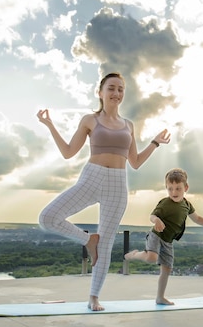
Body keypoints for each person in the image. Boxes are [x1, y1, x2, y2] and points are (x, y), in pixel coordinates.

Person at [37, 72, 170, 311]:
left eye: (120, 89)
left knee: (107, 244)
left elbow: (136, 162)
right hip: (92, 176)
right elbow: (68, 152)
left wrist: (155, 142)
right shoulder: (90, 120)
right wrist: (50, 125)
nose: (116, 93)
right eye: (111, 88)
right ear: (100, 92)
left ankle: (94, 297)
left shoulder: (128, 125)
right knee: (47, 217)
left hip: (118, 183)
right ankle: (89, 240)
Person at [124, 168, 203, 305]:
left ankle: (160, 297)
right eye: (170, 189)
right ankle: (134, 254)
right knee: (152, 258)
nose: (174, 192)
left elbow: (198, 218)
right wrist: (157, 221)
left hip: (168, 241)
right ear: (166, 188)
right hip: (156, 235)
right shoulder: (165, 203)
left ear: (186, 187)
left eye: (178, 188)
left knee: (167, 269)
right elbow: (152, 216)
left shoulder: (187, 205)